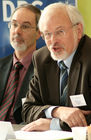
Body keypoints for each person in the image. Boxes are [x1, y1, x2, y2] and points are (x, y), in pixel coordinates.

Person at [22, 2, 91, 131]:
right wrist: (57, 111)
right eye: (47, 34)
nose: (53, 41)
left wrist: (53, 125)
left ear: (79, 30)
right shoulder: (41, 58)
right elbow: (27, 110)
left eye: (60, 32)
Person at [0, 3, 41, 124]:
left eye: (25, 26)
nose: (17, 31)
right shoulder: (1, 64)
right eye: (14, 24)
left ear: (39, 33)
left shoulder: (46, 68)